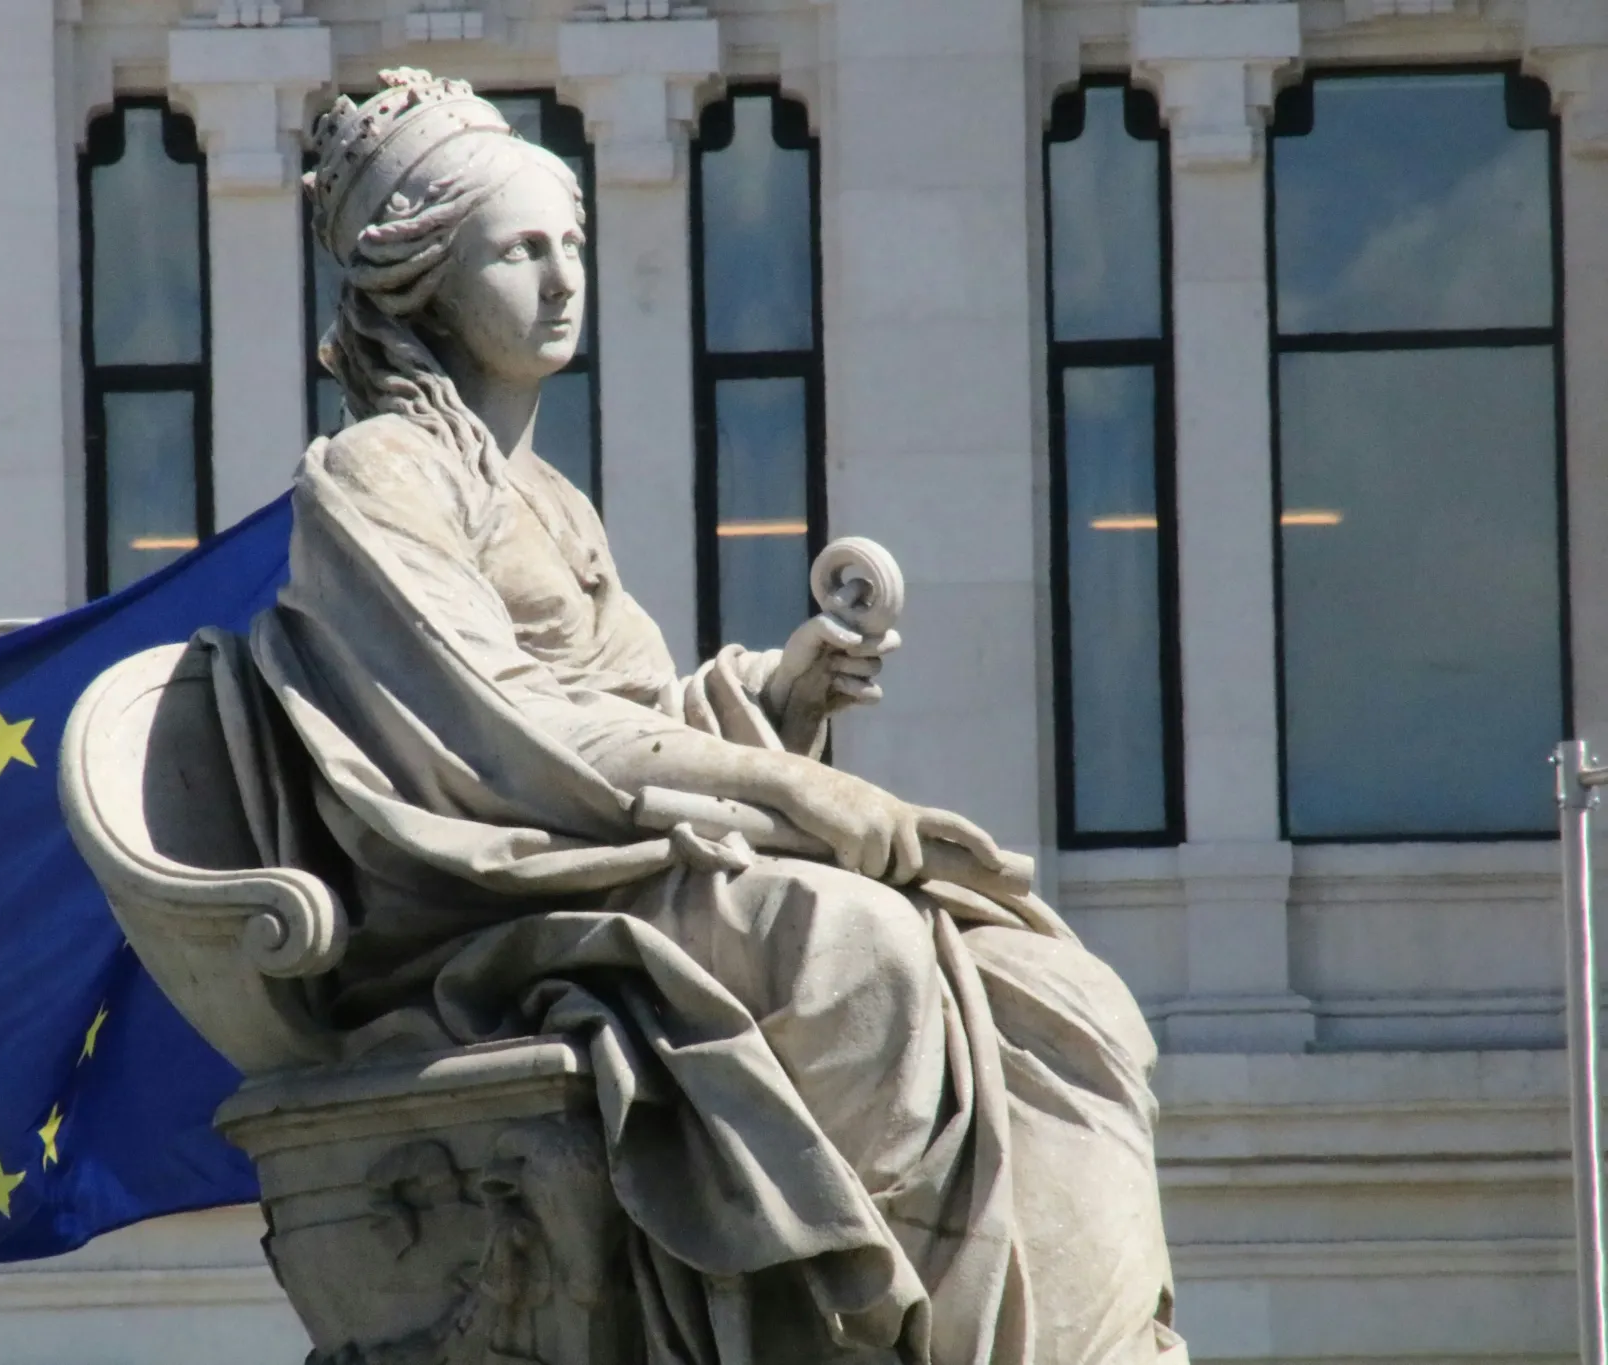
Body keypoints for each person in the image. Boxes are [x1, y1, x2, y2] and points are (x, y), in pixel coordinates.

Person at [218, 69, 1184, 1365]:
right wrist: (794, 792)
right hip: (494, 904)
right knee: (859, 951)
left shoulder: (552, 501)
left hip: (611, 863)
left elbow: (627, 711)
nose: (562, 279)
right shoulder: (374, 475)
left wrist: (775, 702)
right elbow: (505, 737)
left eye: (570, 245)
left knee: (1045, 978)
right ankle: (870, 1333)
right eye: (519, 250)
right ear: (425, 277)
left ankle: (1077, 1337)